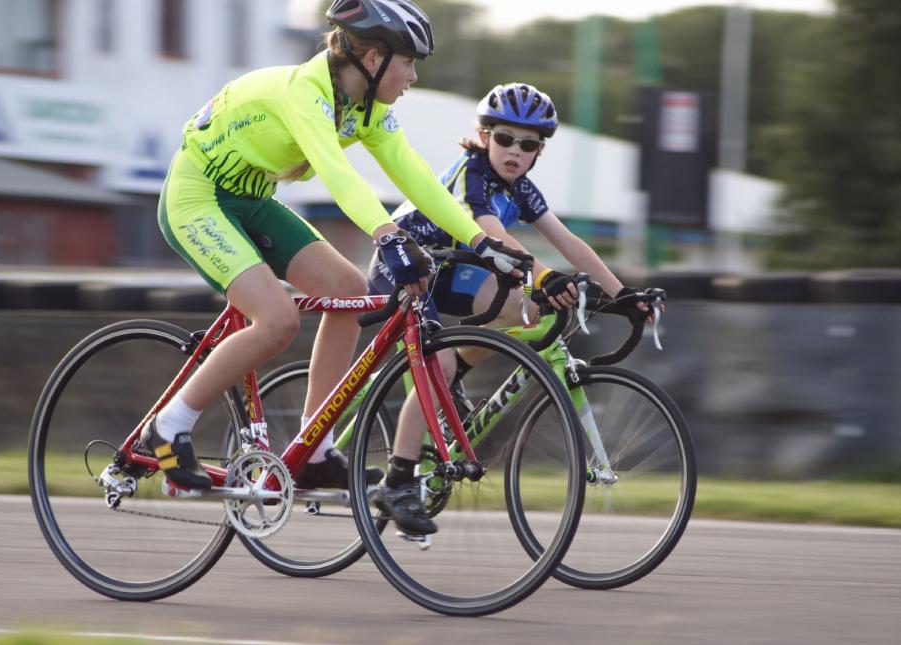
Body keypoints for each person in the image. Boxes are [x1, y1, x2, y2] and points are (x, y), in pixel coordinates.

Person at [145, 0, 530, 502]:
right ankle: (169, 427)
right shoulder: (307, 92)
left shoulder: (369, 107)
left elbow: (413, 175)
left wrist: (485, 245)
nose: (413, 75)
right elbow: (338, 175)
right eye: (408, 62)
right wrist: (388, 236)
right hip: (197, 198)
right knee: (278, 320)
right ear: (373, 59)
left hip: (252, 199)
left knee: (350, 292)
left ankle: (315, 449)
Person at [368, 82, 658, 535]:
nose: (514, 151)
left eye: (528, 144)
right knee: (436, 366)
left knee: (528, 311)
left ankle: (456, 378)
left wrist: (623, 294)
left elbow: (569, 242)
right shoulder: (473, 173)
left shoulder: (521, 188)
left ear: (538, 151)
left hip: (450, 269)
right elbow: (490, 232)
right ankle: (398, 481)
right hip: (405, 266)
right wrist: (544, 276)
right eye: (504, 139)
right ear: (484, 136)